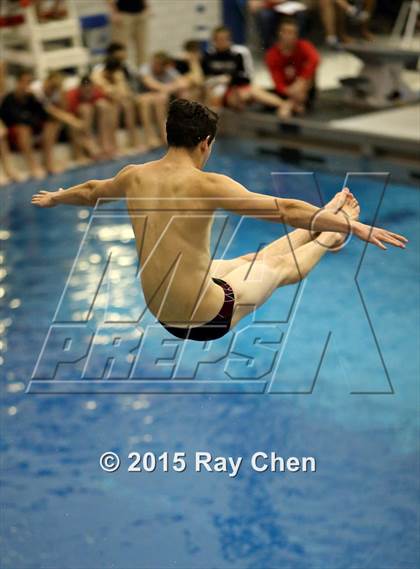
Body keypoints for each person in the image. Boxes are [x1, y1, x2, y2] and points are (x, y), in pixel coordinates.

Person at [31, 99, 407, 342]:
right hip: (205, 316)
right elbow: (285, 209)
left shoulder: (134, 175)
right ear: (205, 143)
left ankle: (325, 220)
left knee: (246, 262)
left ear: (167, 134)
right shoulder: (207, 184)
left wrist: (56, 196)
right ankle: (330, 236)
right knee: (278, 267)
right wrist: (355, 227)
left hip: (163, 310)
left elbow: (94, 189)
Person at [202, 25, 292, 117]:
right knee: (210, 93)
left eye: (225, 39)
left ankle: (283, 104)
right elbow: (204, 77)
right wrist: (218, 81)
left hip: (235, 88)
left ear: (229, 39)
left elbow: (247, 76)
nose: (222, 42)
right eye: (219, 39)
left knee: (253, 90)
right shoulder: (208, 55)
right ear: (214, 40)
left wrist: (230, 80)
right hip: (213, 89)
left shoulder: (238, 53)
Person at [0, 70, 55, 179]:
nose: (26, 85)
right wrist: (29, 120)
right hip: (15, 133)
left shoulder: (32, 98)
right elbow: (13, 119)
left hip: (30, 128)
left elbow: (43, 115)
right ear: (18, 82)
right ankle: (32, 166)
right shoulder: (9, 99)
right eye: (25, 81)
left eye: (29, 82)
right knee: (23, 129)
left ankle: (48, 162)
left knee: (50, 125)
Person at [31, 70, 87, 173]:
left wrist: (61, 92)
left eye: (56, 87)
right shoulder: (36, 89)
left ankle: (79, 155)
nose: (53, 89)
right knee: (54, 124)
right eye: (52, 86)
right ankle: (48, 163)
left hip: (45, 117)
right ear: (46, 81)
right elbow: (50, 110)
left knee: (59, 123)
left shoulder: (55, 90)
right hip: (31, 118)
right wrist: (71, 120)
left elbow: (64, 108)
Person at [265, 17, 320, 118]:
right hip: (286, 91)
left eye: (292, 33)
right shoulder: (272, 54)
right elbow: (277, 81)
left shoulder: (304, 46)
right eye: (286, 32)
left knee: (310, 76)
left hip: (304, 88)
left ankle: (289, 105)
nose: (289, 36)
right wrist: (290, 91)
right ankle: (294, 104)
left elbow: (315, 60)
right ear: (280, 33)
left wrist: (301, 81)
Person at [137, 52, 189, 149]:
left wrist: (167, 89)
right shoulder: (145, 69)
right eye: (154, 63)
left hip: (159, 96)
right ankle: (151, 136)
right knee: (152, 99)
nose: (154, 66)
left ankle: (181, 129)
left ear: (164, 66)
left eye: (158, 64)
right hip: (143, 96)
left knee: (182, 94)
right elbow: (151, 84)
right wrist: (169, 88)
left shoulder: (168, 70)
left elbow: (184, 83)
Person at [91, 57, 143, 154]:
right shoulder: (97, 75)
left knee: (128, 105)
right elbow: (107, 91)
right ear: (108, 71)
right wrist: (117, 93)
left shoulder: (117, 73)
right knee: (108, 107)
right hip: (98, 101)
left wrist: (122, 94)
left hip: (114, 99)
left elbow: (123, 91)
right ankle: (107, 145)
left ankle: (134, 141)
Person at [66, 76, 116, 162]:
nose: (88, 94)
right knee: (85, 109)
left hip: (89, 123)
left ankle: (105, 143)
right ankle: (89, 147)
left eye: (89, 91)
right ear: (80, 89)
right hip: (73, 124)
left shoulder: (96, 92)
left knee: (103, 105)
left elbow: (112, 103)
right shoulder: (71, 96)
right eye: (85, 91)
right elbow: (67, 116)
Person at [108, 0, 149, 67]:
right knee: (119, 49)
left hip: (140, 13)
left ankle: (143, 74)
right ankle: (117, 71)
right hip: (123, 14)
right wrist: (114, 12)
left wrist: (147, 6)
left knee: (142, 49)